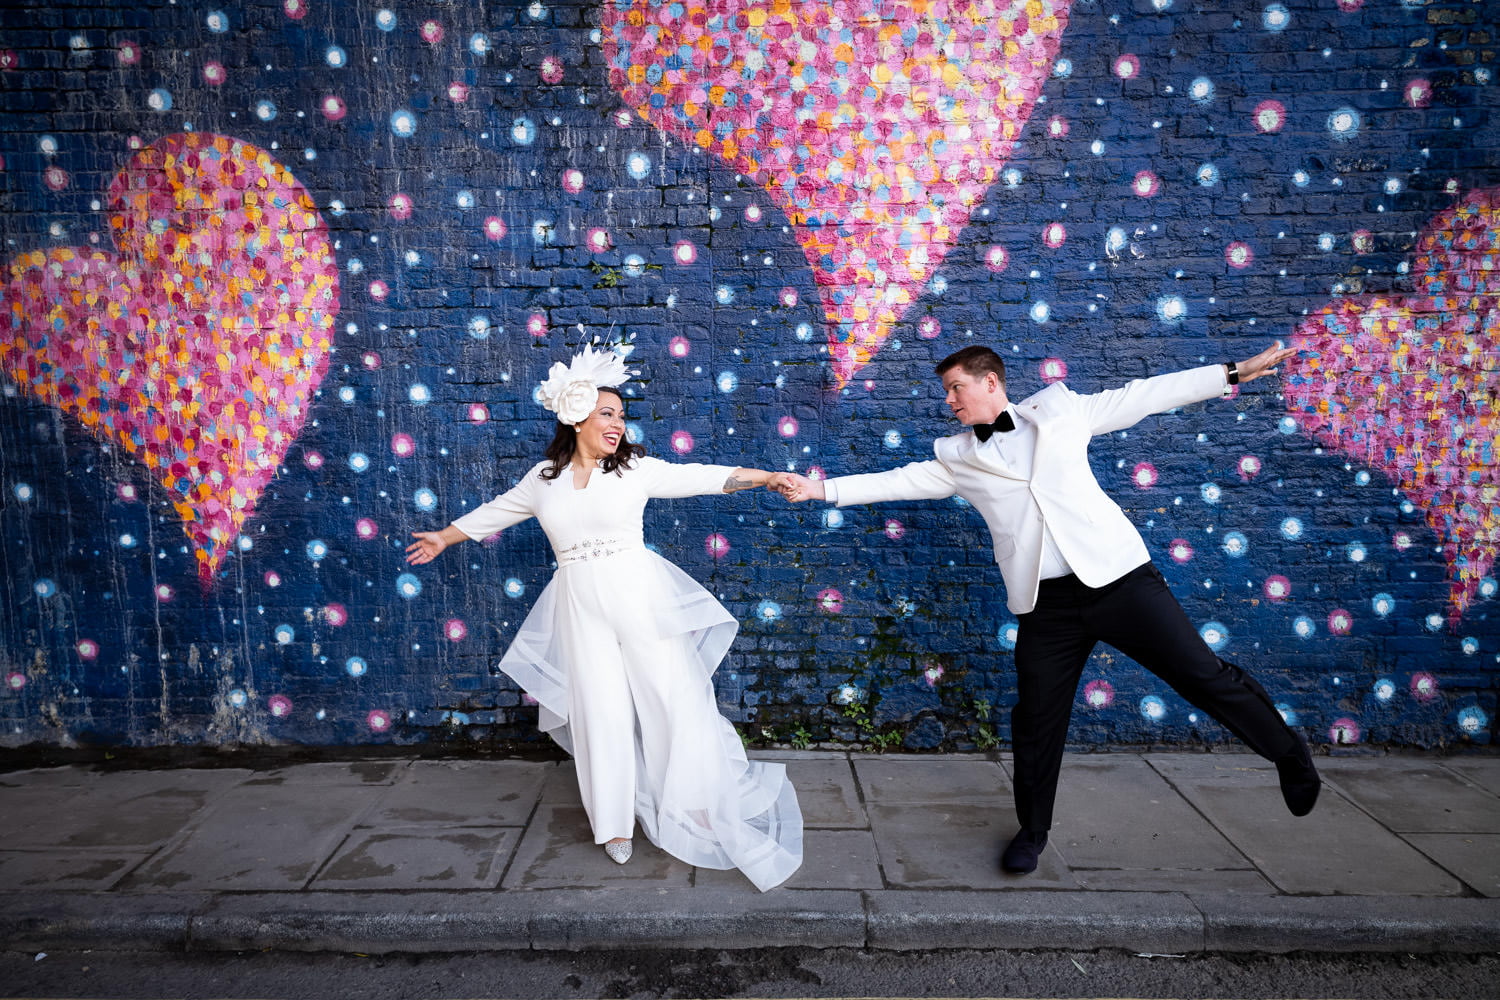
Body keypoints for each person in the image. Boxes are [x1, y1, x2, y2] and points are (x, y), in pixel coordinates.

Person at [777, 341, 1321, 875]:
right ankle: (1033, 833)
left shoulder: (1062, 411)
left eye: (955, 388)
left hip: (1120, 580)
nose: (949, 401)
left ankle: (1287, 754)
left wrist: (1231, 371)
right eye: (947, 392)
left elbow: (1146, 395)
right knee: (1037, 719)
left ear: (990, 382)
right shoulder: (957, 457)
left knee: (1203, 674)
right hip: (1046, 605)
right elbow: (896, 482)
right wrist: (819, 490)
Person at [406, 345, 802, 891]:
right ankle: (613, 824)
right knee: (602, 713)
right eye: (607, 414)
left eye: (620, 415)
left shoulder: (635, 470)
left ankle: (696, 801)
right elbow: (496, 510)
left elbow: (702, 476)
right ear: (577, 418)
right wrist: (444, 536)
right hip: (579, 604)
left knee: (672, 697)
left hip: (639, 597)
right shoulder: (542, 480)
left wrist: (763, 477)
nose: (618, 424)